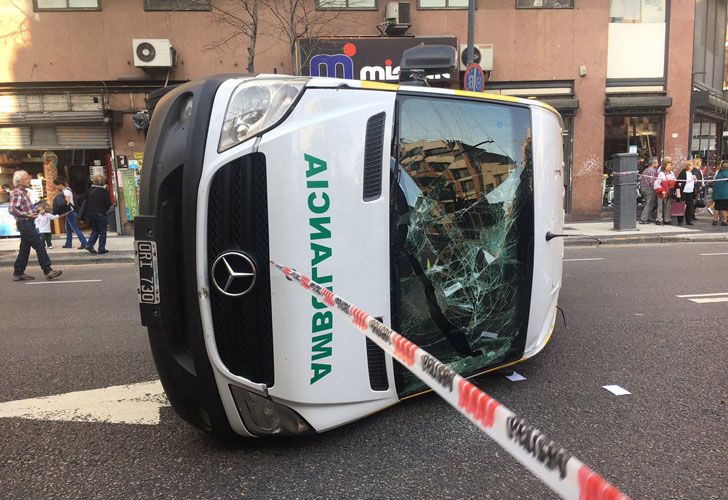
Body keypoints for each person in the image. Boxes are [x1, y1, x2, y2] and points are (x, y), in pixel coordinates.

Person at [9, 170, 62, 281]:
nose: (29, 180)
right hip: (25, 223)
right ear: (19, 181)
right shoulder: (17, 192)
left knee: (24, 249)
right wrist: (27, 215)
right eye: (26, 178)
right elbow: (12, 209)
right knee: (39, 246)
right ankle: (48, 270)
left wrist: (36, 208)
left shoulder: (23, 192)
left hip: (27, 223)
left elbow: (23, 207)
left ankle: (18, 272)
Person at [78, 174, 112, 254]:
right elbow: (108, 204)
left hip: (90, 214)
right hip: (101, 213)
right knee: (103, 231)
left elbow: (81, 199)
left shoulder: (89, 191)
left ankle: (89, 245)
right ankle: (101, 249)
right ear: (103, 182)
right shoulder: (104, 192)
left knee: (95, 230)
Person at [53, 176, 88, 250]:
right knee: (68, 229)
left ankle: (84, 243)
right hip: (70, 212)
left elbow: (67, 202)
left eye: (56, 185)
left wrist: (62, 208)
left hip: (70, 212)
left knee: (75, 228)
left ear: (60, 184)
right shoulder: (69, 189)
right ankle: (68, 244)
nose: (56, 187)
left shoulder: (65, 191)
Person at [675, 160, 697, 226]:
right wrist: (678, 193)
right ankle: (680, 221)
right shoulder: (683, 173)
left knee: (690, 207)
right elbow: (678, 183)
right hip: (683, 192)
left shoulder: (691, 173)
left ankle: (688, 220)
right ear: (688, 166)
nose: (692, 167)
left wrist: (695, 179)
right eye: (691, 165)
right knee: (682, 206)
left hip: (690, 192)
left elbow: (693, 183)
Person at [654, 160, 675, 225]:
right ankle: (659, 219)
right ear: (664, 166)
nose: (670, 167)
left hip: (669, 193)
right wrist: (661, 190)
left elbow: (674, 182)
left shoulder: (671, 173)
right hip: (661, 193)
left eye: (670, 165)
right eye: (668, 165)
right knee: (660, 206)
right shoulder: (661, 174)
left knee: (668, 206)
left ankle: (667, 219)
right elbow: (657, 184)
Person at [639, 158, 659, 224]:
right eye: (656, 163)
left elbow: (640, 178)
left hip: (643, 187)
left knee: (648, 203)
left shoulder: (646, 169)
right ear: (653, 164)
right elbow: (652, 182)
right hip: (649, 188)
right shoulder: (652, 171)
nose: (658, 164)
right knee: (649, 204)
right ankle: (643, 219)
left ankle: (648, 218)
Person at [711, 161, 728, 226]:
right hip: (725, 194)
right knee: (724, 208)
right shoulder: (727, 173)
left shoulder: (718, 173)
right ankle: (724, 221)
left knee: (717, 208)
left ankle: (715, 221)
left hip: (717, 194)